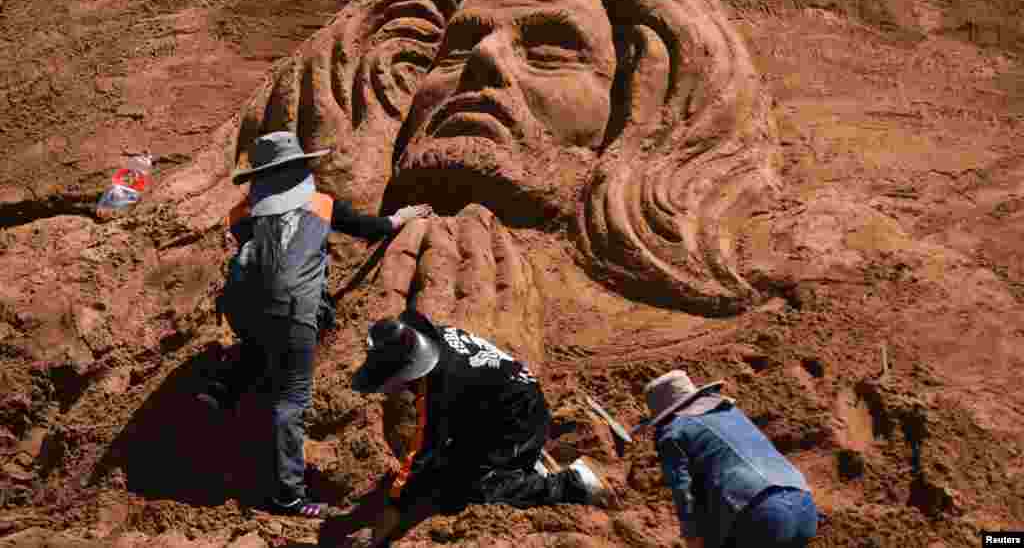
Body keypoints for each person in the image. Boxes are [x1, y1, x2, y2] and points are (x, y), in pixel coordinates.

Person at [198, 131, 432, 518]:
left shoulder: (240, 214)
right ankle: (288, 496)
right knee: (290, 401)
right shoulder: (320, 205)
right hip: (295, 312)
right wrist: (401, 218)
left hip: (245, 310)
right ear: (298, 170)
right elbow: (371, 229)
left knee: (261, 340)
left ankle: (226, 384)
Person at [333, 310, 612, 546]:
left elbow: (420, 455)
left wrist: (380, 529)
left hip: (519, 421)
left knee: (475, 490)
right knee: (443, 471)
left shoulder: (440, 388)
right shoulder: (436, 337)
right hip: (496, 407)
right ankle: (517, 461)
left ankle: (572, 485)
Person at [637, 370, 818, 548]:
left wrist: (692, 537)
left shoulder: (672, 432)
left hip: (761, 517)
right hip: (804, 506)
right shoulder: (728, 410)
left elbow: (682, 489)